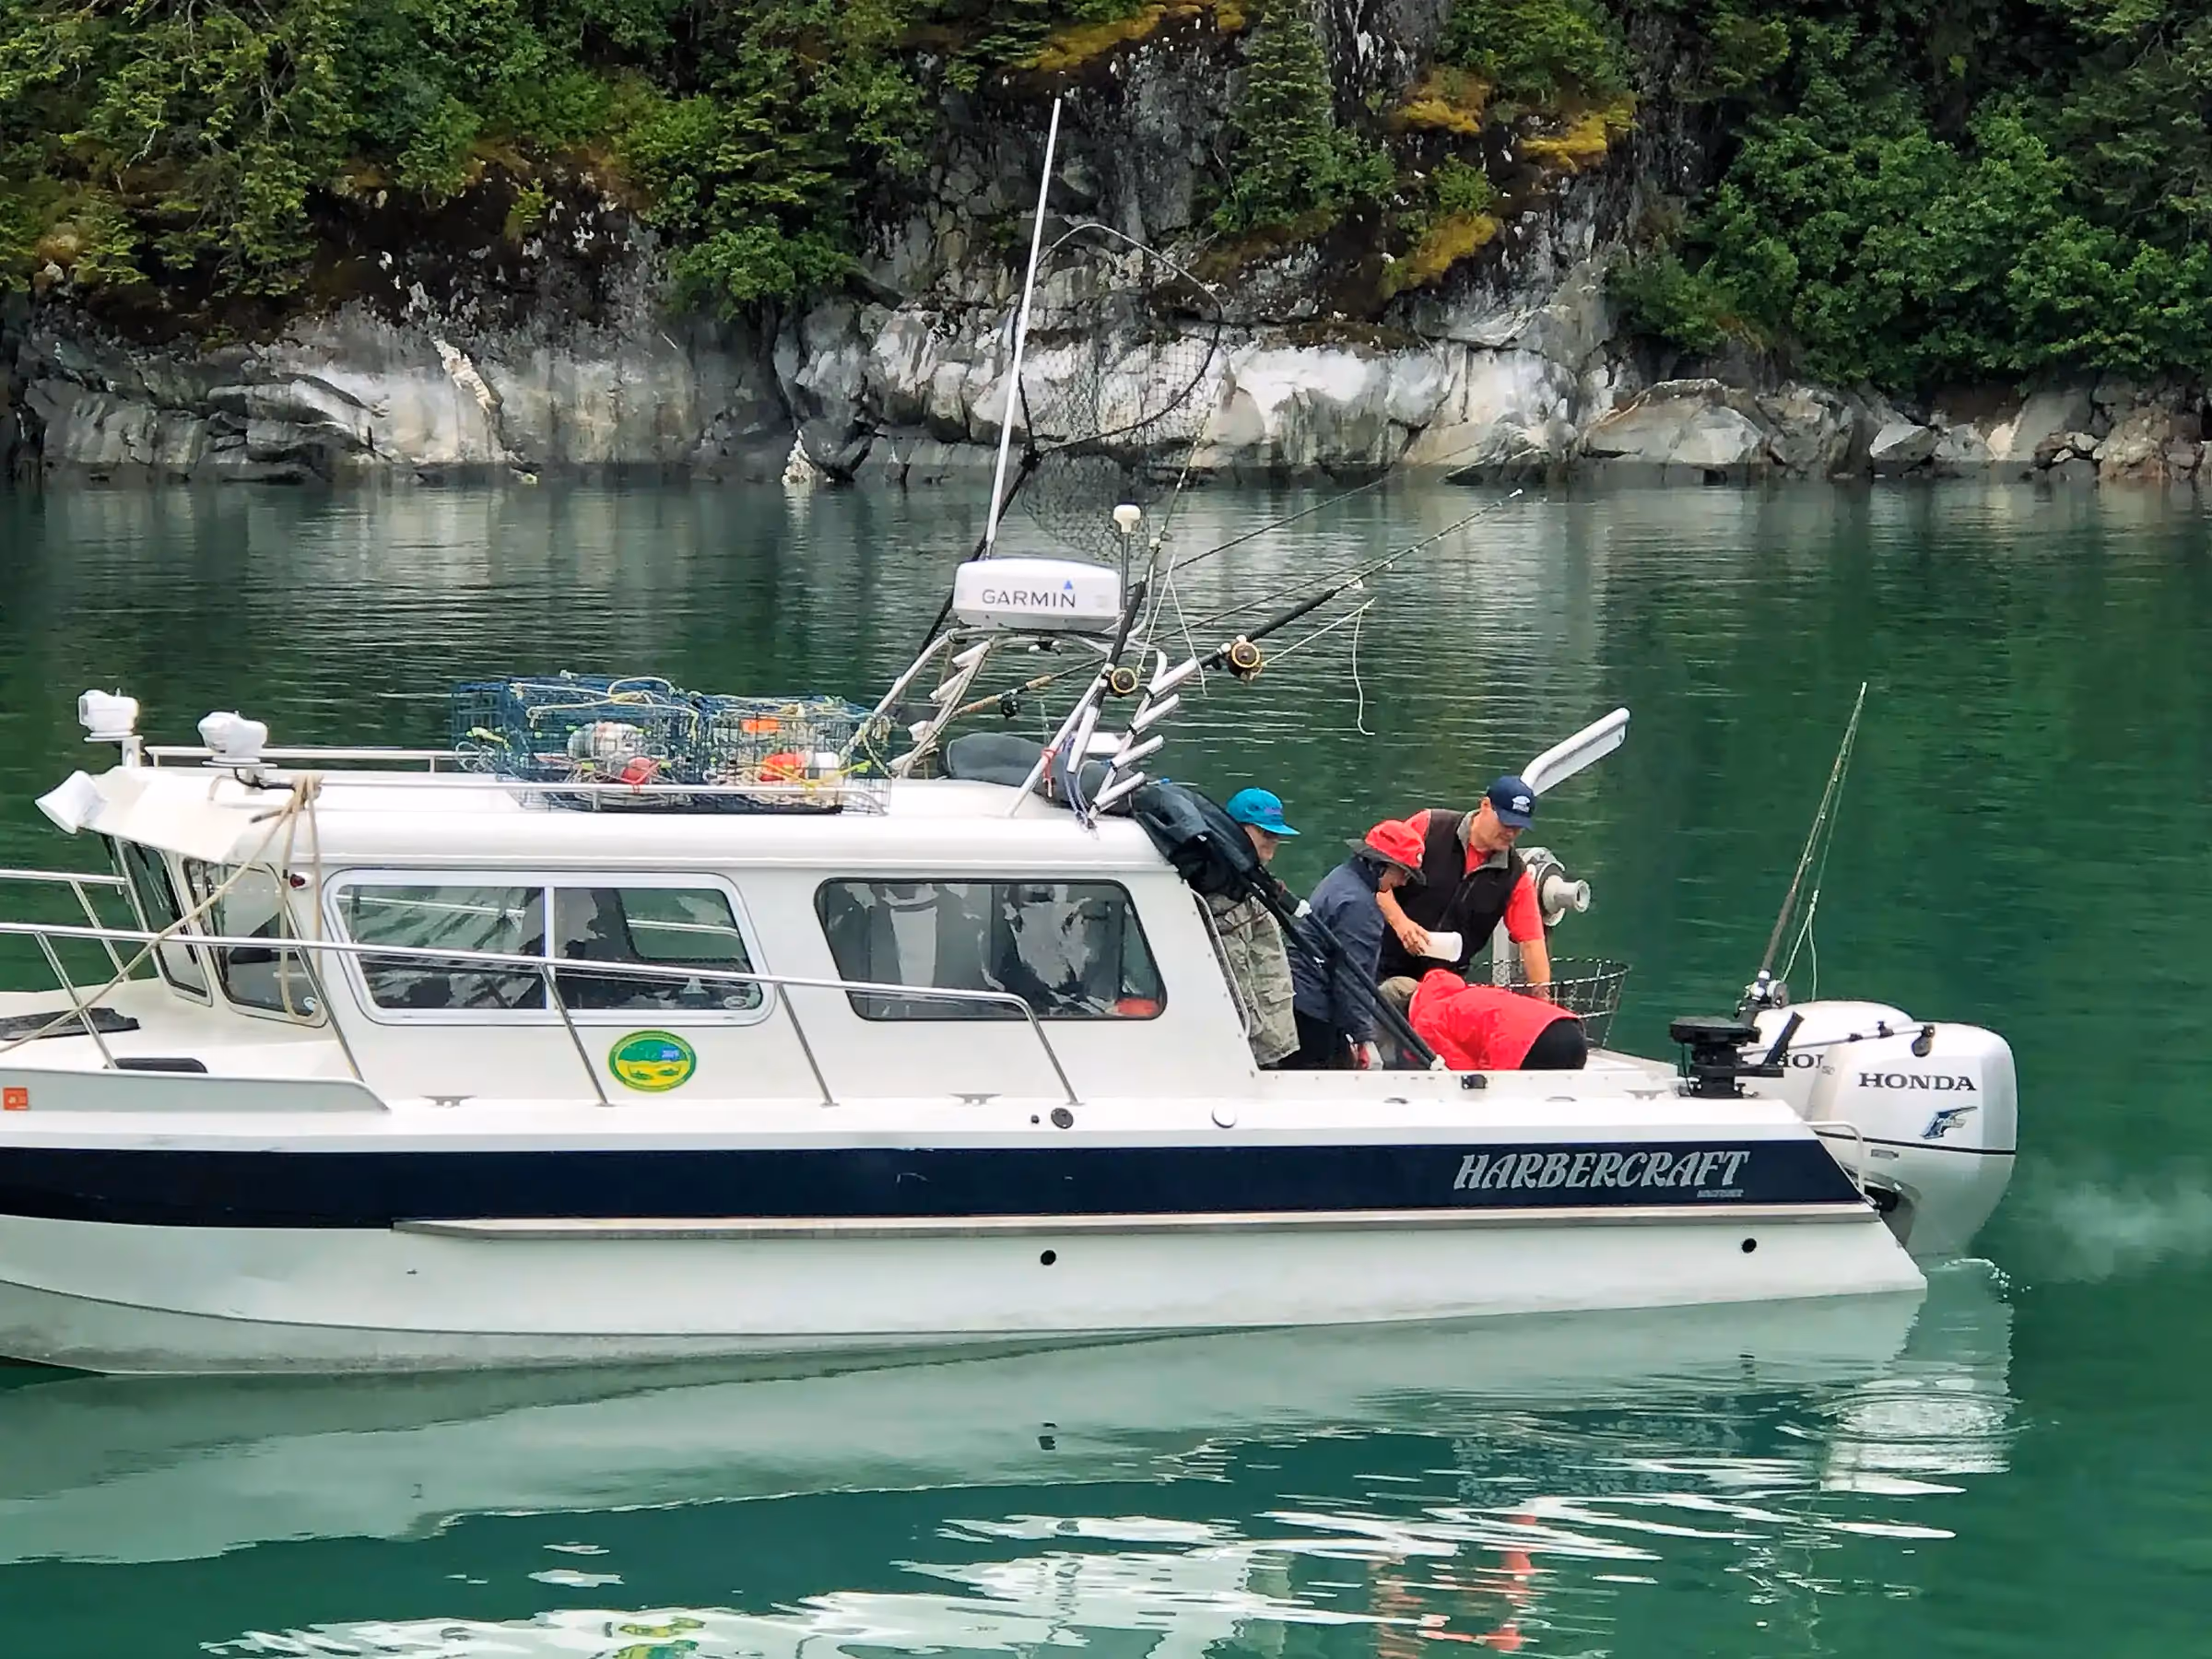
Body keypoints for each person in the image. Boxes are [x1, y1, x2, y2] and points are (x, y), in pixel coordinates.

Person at [1374, 775, 1551, 1010]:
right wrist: (1401, 923)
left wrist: (1543, 1002)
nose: (1511, 833)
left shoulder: (1514, 875)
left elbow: (1532, 943)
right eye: (1506, 823)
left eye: (1518, 828)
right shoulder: (1429, 827)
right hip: (1379, 961)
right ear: (1485, 806)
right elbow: (1373, 880)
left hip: (1442, 987)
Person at [1286, 819, 1427, 1069]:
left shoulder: (1340, 877)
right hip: (1315, 1010)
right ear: (1382, 865)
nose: (1404, 882)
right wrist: (1363, 1038)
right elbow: (1353, 976)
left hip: (1297, 997)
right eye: (1403, 872)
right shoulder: (1361, 907)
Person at [1209, 788, 1300, 1066]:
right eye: (1265, 835)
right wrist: (1251, 1038)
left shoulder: (1253, 884)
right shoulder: (1222, 892)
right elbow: (1236, 974)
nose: (1271, 848)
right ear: (1235, 830)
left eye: (1276, 838)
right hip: (1248, 1044)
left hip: (1267, 1037)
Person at [1408, 967, 1588, 1071]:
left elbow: (1461, 1074)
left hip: (1528, 1047)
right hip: (1567, 1027)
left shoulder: (1427, 1021)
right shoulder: (1470, 993)